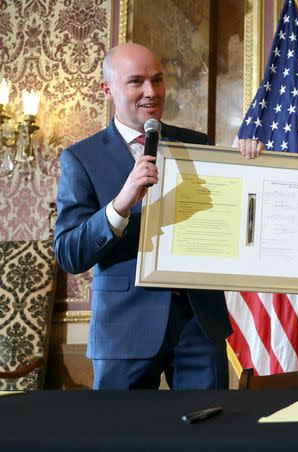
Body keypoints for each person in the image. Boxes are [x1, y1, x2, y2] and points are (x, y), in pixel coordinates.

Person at [54, 43, 232, 390]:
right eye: (136, 82)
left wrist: (247, 162)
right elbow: (69, 254)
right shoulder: (80, 158)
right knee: (122, 437)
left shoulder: (198, 144)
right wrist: (120, 204)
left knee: (210, 438)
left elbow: (225, 218)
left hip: (200, 323)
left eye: (158, 80)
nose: (151, 92)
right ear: (108, 89)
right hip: (125, 329)